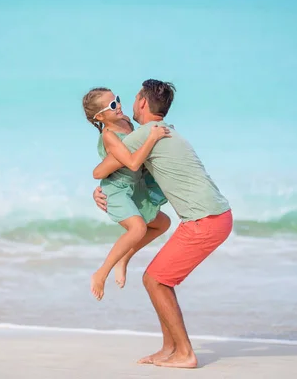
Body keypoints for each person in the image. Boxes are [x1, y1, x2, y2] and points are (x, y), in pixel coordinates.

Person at [92, 79, 233, 369]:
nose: (126, 104)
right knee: (156, 278)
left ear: (142, 103)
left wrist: (98, 191)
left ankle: (185, 353)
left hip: (205, 220)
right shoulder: (166, 131)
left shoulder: (143, 135)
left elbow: (104, 170)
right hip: (214, 216)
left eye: (130, 98)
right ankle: (170, 348)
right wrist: (104, 191)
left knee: (156, 280)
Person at [82, 87, 172, 301]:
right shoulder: (109, 136)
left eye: (118, 100)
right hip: (117, 189)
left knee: (163, 224)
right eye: (113, 105)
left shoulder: (127, 124)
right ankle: (101, 273)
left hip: (136, 186)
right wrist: (152, 138)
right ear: (100, 116)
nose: (119, 105)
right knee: (138, 228)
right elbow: (132, 163)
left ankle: (125, 259)